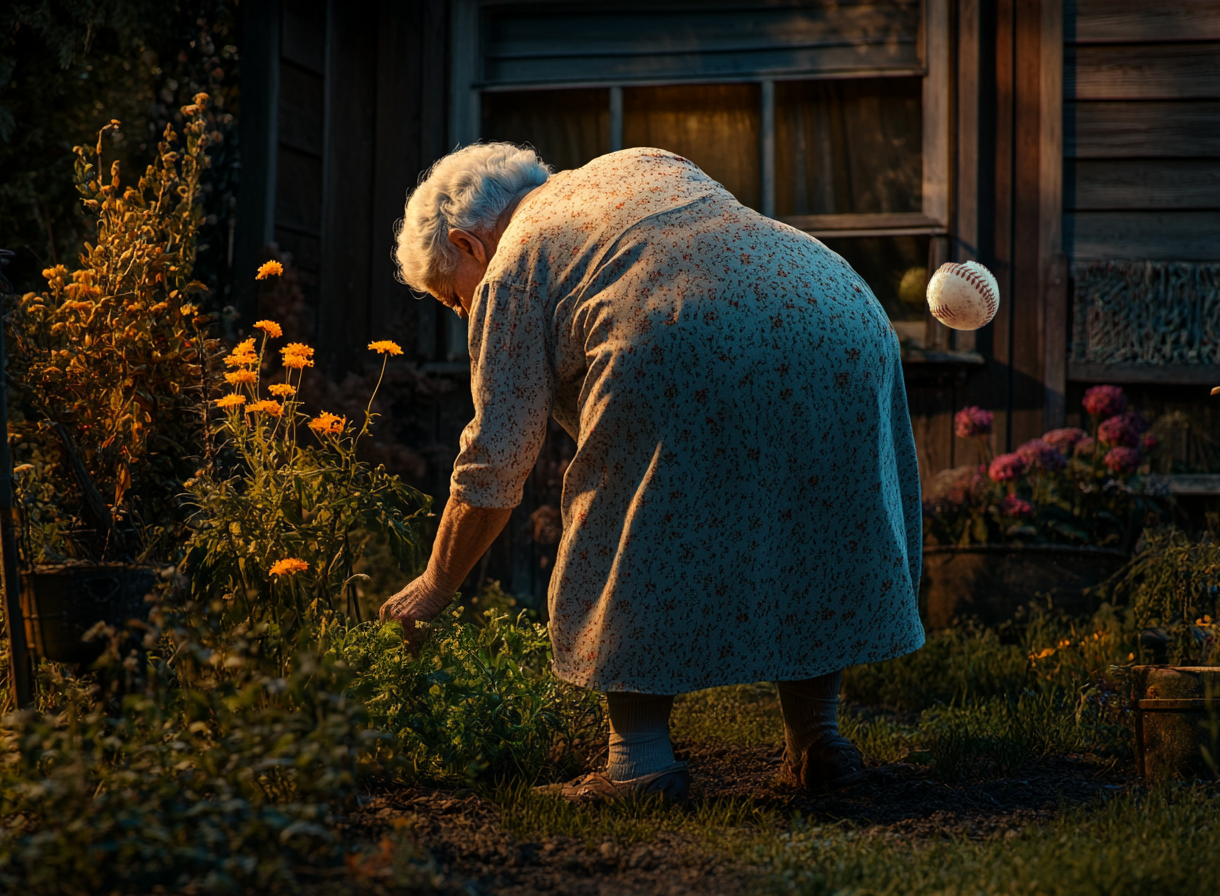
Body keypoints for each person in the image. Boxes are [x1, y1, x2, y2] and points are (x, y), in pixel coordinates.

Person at [381, 142, 924, 803]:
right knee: (806, 515)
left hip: (686, 333)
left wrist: (436, 584)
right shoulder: (634, 168)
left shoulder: (509, 266)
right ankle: (819, 741)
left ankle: (638, 765)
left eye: (451, 300)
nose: (466, 316)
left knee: (621, 512)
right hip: (842, 312)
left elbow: (499, 456)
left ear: (467, 246)